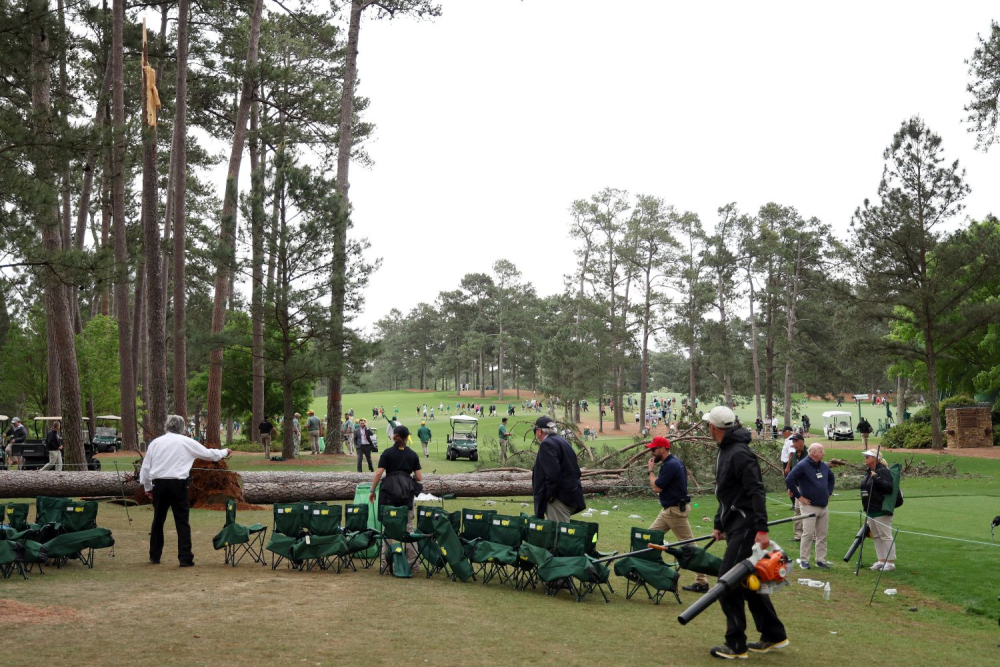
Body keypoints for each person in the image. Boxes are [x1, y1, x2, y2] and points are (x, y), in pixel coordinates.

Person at [704, 405, 788, 659]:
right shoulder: (726, 450)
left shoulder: (739, 453)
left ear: (713, 427)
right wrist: (720, 524)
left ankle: (736, 644)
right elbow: (727, 494)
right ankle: (774, 634)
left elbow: (755, 491)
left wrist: (761, 529)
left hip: (748, 528)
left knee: (727, 582)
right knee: (748, 583)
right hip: (736, 525)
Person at [139, 415, 231, 566]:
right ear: (182, 428)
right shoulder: (187, 442)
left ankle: (154, 555)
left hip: (159, 485)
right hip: (178, 485)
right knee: (182, 522)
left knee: (158, 521)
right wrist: (224, 452)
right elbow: (209, 455)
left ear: (166, 426)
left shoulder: (155, 443)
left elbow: (147, 467)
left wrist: (148, 487)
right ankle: (185, 557)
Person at [645, 436, 709, 593]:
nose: (652, 453)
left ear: (663, 449)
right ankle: (642, 571)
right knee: (649, 537)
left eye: (653, 449)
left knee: (690, 547)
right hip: (669, 510)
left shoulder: (671, 465)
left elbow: (657, 488)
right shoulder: (673, 462)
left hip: (674, 512)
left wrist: (650, 471)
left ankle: (702, 582)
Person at [369, 425, 423, 569]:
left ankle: (386, 564)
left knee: (388, 529)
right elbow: (419, 477)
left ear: (394, 436)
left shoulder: (387, 453)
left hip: (389, 493)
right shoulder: (412, 454)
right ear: (406, 438)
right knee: (409, 528)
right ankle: (413, 565)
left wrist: (372, 490)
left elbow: (379, 473)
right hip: (407, 494)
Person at [785, 443, 834, 570]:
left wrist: (829, 492)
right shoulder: (802, 465)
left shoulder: (823, 466)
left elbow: (831, 478)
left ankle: (820, 560)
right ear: (813, 453)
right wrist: (799, 496)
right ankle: (804, 560)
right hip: (809, 506)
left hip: (823, 505)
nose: (824, 453)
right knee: (808, 533)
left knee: (822, 535)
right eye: (821, 451)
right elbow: (789, 479)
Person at [530, 416, 585, 523]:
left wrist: (550, 496)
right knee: (561, 534)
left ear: (539, 431)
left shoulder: (547, 444)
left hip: (558, 499)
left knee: (558, 535)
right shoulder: (562, 441)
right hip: (570, 494)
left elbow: (553, 473)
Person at [861, 449, 897, 571]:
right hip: (870, 509)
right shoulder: (869, 471)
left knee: (885, 535)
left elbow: (888, 488)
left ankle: (890, 562)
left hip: (881, 509)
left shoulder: (882, 471)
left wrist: (876, 478)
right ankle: (881, 560)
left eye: (868, 456)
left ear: (874, 458)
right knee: (876, 536)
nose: (865, 458)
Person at [784, 433, 807, 541]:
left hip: (808, 488)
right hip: (797, 487)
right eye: (793, 441)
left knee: (808, 512)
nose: (794, 444)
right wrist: (790, 487)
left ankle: (813, 536)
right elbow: (792, 474)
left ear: (802, 442)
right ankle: (799, 535)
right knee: (797, 511)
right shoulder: (793, 456)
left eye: (796, 441)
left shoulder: (809, 454)